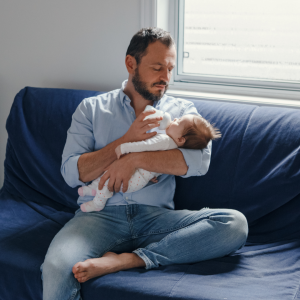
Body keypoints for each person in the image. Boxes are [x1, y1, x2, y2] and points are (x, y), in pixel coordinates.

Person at [41, 27, 248, 300]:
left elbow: (199, 163)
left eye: (170, 69)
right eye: (157, 67)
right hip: (99, 217)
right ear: (131, 64)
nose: (165, 78)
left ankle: (131, 260)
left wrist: (135, 159)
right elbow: (72, 172)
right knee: (56, 267)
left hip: (157, 219)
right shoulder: (91, 110)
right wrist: (125, 141)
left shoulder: (183, 113)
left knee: (234, 224)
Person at [79, 108, 221, 212]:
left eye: (178, 122)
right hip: (141, 179)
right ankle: (93, 190)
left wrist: (125, 148)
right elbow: (158, 164)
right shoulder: (171, 145)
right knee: (109, 174)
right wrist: (151, 173)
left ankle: (98, 202)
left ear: (181, 139)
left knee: (110, 180)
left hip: (137, 184)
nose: (175, 119)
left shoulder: (164, 140)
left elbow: (145, 145)